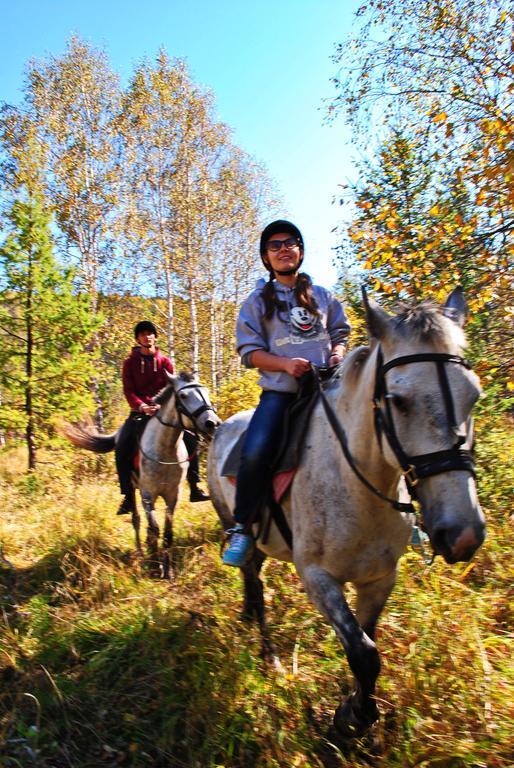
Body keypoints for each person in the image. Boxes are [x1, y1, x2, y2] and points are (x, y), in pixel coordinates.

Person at [222, 220, 351, 567]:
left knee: (380, 423)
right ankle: (243, 527)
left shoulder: (323, 296)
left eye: (289, 243)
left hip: (328, 390)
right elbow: (249, 353)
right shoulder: (255, 303)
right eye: (274, 245)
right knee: (256, 449)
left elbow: (341, 332)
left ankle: (410, 515)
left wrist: (338, 353)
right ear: (266, 257)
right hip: (281, 394)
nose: (283, 249)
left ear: (301, 251)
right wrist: (284, 364)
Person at [114, 320, 210, 515]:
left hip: (163, 411)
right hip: (139, 413)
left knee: (191, 438)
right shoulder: (129, 363)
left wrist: (159, 405)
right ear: (137, 339)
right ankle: (127, 496)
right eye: (142, 334)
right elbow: (128, 390)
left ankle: (194, 486)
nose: (146, 336)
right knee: (122, 445)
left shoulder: (165, 362)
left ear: (155, 337)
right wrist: (141, 406)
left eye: (150, 333)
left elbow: (171, 388)